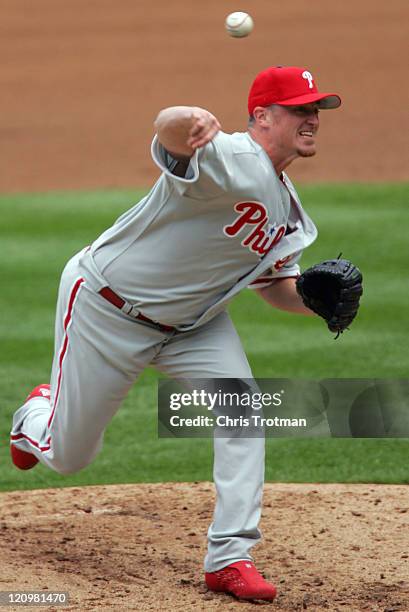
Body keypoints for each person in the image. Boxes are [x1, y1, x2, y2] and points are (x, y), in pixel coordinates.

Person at [10, 66, 341, 601]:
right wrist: (188, 116)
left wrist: (315, 303)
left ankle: (229, 556)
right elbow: (168, 134)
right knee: (70, 456)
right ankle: (34, 418)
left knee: (244, 411)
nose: (311, 119)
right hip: (108, 308)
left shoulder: (290, 211)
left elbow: (275, 286)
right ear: (261, 117)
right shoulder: (228, 156)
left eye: (315, 110)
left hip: (194, 326)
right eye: (299, 109)